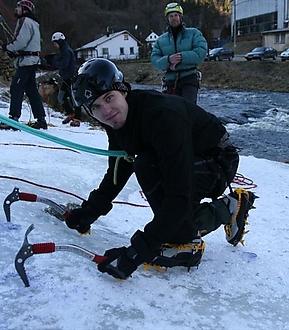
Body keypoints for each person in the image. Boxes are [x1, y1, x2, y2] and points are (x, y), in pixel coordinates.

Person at [66, 58, 256, 280]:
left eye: (109, 98)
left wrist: (138, 252)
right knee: (146, 166)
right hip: (183, 159)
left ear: (122, 90)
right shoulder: (117, 120)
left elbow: (179, 194)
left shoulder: (161, 116)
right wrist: (91, 210)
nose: (106, 111)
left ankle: (192, 239)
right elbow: (118, 169)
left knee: (148, 169)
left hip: (216, 161)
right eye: (96, 107)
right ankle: (223, 211)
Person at [0, 0, 47, 130]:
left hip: (27, 62)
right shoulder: (34, 23)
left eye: (18, 7)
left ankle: (13, 119)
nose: (16, 9)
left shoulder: (25, 21)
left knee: (16, 88)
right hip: (31, 60)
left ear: (25, 9)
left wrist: (7, 48)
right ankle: (41, 120)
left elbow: (21, 42)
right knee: (31, 91)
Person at [150, 2, 207, 104]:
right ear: (167, 19)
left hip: (189, 78)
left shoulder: (194, 33)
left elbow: (201, 53)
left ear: (181, 17)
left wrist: (180, 57)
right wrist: (168, 60)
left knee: (188, 109)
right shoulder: (161, 40)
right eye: (171, 16)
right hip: (170, 81)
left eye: (176, 15)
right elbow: (155, 61)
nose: (174, 18)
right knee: (172, 111)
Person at [51, 32, 81, 127]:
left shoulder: (67, 51)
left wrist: (53, 63)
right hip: (65, 78)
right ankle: (71, 113)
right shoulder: (62, 51)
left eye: (55, 43)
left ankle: (77, 119)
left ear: (59, 41)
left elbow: (64, 64)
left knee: (74, 98)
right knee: (61, 97)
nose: (54, 45)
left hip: (71, 78)